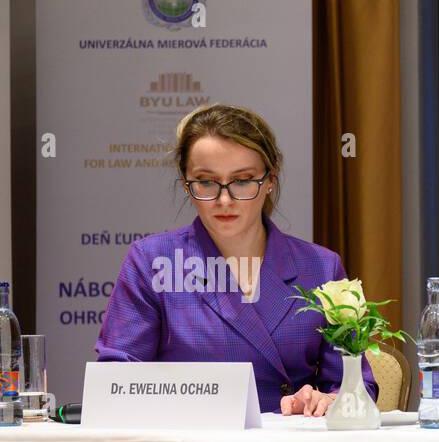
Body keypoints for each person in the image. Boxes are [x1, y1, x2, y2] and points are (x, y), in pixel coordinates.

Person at [95, 103, 377, 416]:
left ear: (270, 179)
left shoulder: (321, 267)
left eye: (242, 181)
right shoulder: (151, 262)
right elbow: (116, 383)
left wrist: (327, 400)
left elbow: (356, 386)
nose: (224, 200)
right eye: (206, 182)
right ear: (186, 183)